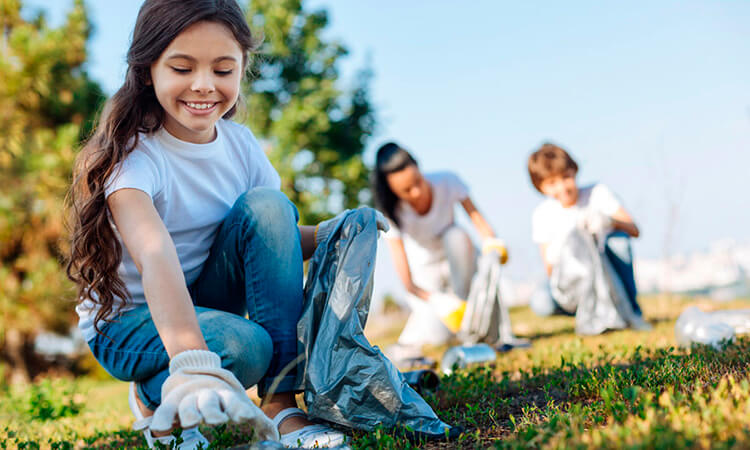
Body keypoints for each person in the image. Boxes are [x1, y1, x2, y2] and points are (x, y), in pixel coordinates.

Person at [67, 1, 345, 448]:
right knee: (249, 346)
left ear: (242, 70)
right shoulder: (133, 157)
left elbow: (277, 243)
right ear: (146, 71)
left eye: (222, 70)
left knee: (270, 205)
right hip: (129, 323)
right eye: (181, 67)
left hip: (204, 299)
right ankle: (158, 390)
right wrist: (193, 362)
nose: (203, 85)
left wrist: (338, 232)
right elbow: (155, 254)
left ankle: (280, 406)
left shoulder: (241, 145)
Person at [372, 142, 507, 360]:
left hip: (459, 261)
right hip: (426, 281)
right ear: (392, 190)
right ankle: (445, 327)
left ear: (419, 167)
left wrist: (492, 243)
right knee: (437, 337)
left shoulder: (447, 181)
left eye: (417, 182)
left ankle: (470, 316)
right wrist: (439, 301)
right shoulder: (390, 213)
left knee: (455, 235)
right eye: (406, 190)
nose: (415, 192)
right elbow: (408, 282)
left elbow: (479, 222)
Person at [527, 142, 643, 318]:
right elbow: (550, 269)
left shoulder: (597, 193)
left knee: (618, 241)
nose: (562, 188)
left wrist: (609, 221)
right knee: (541, 302)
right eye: (552, 183)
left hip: (608, 274)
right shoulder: (542, 215)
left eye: (566, 177)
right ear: (540, 187)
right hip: (574, 280)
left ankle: (630, 308)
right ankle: (582, 311)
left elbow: (634, 230)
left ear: (574, 171)